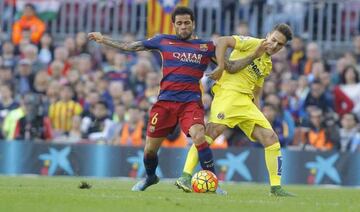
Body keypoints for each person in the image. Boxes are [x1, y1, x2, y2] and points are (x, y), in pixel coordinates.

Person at [88, 6, 218, 192]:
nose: (183, 27)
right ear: (173, 25)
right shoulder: (163, 40)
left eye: (187, 23)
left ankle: (213, 182)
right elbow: (130, 46)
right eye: (179, 23)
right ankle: (150, 177)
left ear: (193, 23)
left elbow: (227, 65)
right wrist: (103, 40)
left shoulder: (206, 47)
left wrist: (254, 55)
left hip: (190, 102)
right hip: (164, 103)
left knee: (199, 136)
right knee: (149, 150)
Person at [175, 23, 295, 196]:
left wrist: (259, 111)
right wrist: (221, 66)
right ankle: (185, 176)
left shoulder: (267, 63)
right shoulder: (253, 43)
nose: (275, 46)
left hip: (246, 102)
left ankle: (276, 188)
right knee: (210, 134)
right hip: (229, 95)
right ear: (268, 35)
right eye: (274, 40)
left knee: (271, 138)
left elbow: (257, 91)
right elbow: (222, 41)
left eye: (280, 44)